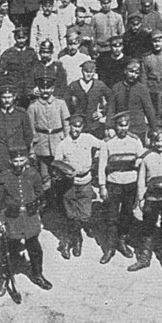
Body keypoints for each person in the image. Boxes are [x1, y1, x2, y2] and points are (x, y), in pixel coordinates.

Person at [0, 147, 52, 291]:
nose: (19, 164)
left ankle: (37, 274)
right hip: (12, 219)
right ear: (10, 161)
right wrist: (0, 219)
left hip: (30, 217)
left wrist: (34, 207)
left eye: (21, 160)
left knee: (34, 248)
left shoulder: (33, 174)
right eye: (15, 161)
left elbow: (39, 193)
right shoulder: (4, 177)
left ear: (26, 159)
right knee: (9, 249)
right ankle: (5, 278)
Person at [129, 128, 162, 271]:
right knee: (148, 226)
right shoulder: (147, 158)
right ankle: (144, 258)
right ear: (152, 142)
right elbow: (141, 180)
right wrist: (140, 198)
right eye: (156, 141)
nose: (159, 144)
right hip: (151, 198)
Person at [97, 110, 145, 263]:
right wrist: (102, 186)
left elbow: (142, 161)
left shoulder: (135, 141)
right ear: (115, 126)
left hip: (130, 183)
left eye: (125, 125)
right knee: (111, 217)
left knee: (126, 214)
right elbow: (101, 166)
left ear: (129, 125)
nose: (122, 129)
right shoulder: (107, 143)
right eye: (119, 126)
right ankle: (110, 248)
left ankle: (122, 242)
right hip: (114, 183)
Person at [53, 112, 102, 258]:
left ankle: (77, 235)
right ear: (69, 126)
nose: (76, 130)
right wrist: (64, 172)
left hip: (86, 181)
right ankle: (77, 240)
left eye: (79, 127)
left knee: (85, 215)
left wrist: (97, 158)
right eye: (74, 126)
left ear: (83, 127)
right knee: (71, 215)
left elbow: (103, 145)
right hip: (70, 184)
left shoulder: (88, 139)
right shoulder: (63, 144)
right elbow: (57, 163)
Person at [27, 68, 70, 196]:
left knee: (60, 174)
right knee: (45, 177)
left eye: (48, 88)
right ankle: (49, 205)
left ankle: (61, 203)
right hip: (42, 145)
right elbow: (31, 130)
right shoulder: (33, 106)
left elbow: (66, 124)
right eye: (42, 88)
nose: (45, 91)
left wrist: (68, 143)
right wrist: (32, 150)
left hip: (59, 142)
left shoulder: (60, 104)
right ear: (39, 89)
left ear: (52, 89)